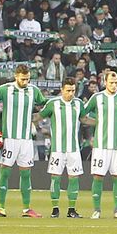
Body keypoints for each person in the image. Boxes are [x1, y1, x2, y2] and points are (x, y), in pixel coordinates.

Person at [0, 64, 48, 218]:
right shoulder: (5, 89)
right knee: (5, 172)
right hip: (9, 138)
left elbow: (44, 104)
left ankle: (26, 209)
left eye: (27, 79)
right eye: (23, 79)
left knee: (26, 174)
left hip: (26, 140)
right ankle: (1, 207)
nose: (25, 82)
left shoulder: (33, 90)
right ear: (16, 76)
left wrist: (37, 118)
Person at [86, 69, 117, 219]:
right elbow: (82, 115)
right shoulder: (97, 98)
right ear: (105, 82)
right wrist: (97, 123)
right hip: (101, 146)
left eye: (116, 82)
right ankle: (96, 210)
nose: (114, 85)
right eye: (111, 82)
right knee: (98, 177)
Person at [40, 77, 84, 218]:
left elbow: (84, 119)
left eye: (73, 91)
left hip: (73, 149)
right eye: (68, 90)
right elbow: (39, 116)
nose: (71, 94)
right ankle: (55, 208)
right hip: (57, 149)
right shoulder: (53, 103)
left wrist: (100, 123)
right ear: (62, 90)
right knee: (55, 178)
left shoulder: (78, 103)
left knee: (74, 178)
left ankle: (71, 209)